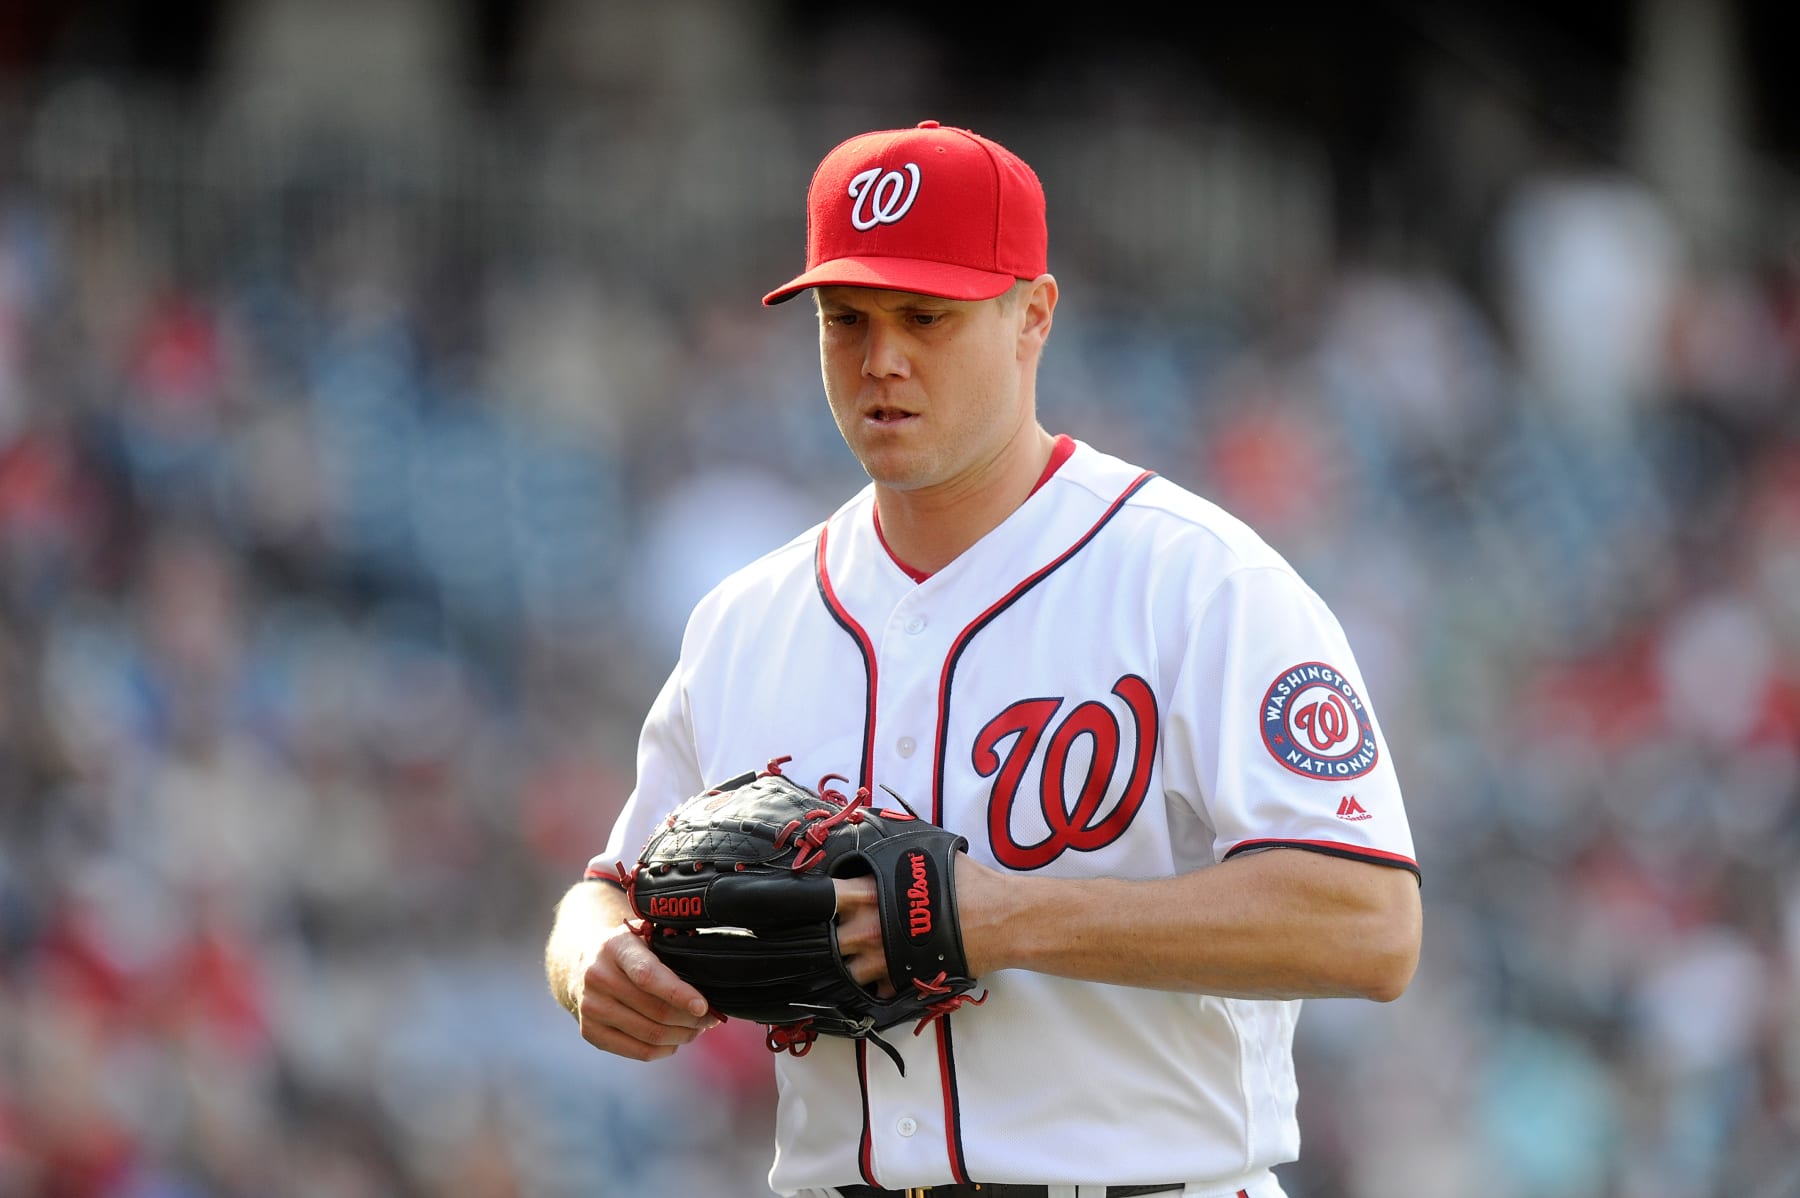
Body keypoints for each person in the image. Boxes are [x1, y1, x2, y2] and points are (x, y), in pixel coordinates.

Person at [544, 119, 1423, 1198]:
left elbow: (1369, 926)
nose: (882, 361)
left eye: (927, 316)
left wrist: (1001, 913)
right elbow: (611, 892)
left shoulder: (1199, 583)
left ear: (1032, 316)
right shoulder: (747, 620)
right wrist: (588, 957)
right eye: (846, 320)